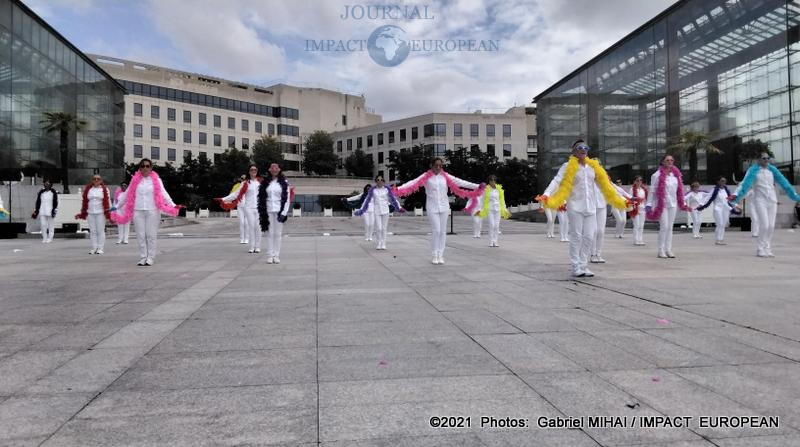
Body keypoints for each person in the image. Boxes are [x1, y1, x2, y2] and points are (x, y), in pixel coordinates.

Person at [540, 140, 630, 277]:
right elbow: (557, 181)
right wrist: (547, 193)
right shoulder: (567, 166)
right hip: (575, 206)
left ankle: (583, 265)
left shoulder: (593, 167)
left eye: (585, 148)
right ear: (574, 151)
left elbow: (606, 186)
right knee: (576, 236)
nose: (583, 150)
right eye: (579, 148)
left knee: (589, 236)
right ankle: (576, 266)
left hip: (591, 207)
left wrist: (624, 199)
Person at [394, 157, 484, 265]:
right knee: (436, 230)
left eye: (440, 165)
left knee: (442, 231)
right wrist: (397, 189)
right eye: (436, 165)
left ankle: (441, 254)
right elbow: (413, 182)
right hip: (432, 206)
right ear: (431, 166)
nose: (438, 167)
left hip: (444, 206)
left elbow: (461, 182)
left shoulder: (445, 176)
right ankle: (434, 254)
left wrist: (478, 186)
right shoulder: (426, 176)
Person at [111, 159, 180, 266]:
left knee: (151, 235)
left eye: (147, 166)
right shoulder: (135, 180)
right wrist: (116, 206)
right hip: (138, 211)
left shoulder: (157, 180)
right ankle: (143, 257)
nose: (145, 168)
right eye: (142, 166)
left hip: (152, 211)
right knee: (140, 235)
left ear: (151, 168)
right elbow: (126, 195)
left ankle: (150, 257)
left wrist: (173, 205)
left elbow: (164, 193)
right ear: (140, 168)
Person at [730, 152, 800, 257]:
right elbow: (743, 184)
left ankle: (767, 248)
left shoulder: (773, 171)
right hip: (760, 200)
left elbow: (785, 183)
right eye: (764, 158)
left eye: (768, 158)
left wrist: (794, 195)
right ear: (758, 159)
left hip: (772, 201)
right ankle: (760, 249)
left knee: (771, 226)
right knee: (765, 225)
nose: (766, 160)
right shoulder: (753, 170)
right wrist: (735, 195)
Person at [645, 155, 692, 259]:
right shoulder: (656, 175)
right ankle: (661, 250)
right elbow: (652, 192)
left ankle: (668, 249)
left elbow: (680, 191)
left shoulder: (676, 175)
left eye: (672, 160)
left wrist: (683, 203)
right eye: (667, 160)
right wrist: (648, 205)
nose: (670, 162)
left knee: (670, 227)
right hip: (662, 204)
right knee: (664, 226)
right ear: (662, 162)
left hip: (673, 204)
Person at [216, 166, 262, 253]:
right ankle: (252, 246)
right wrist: (223, 199)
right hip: (248, 207)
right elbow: (235, 194)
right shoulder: (245, 183)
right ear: (249, 172)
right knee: (251, 226)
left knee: (258, 227)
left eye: (255, 170)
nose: (253, 171)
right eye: (251, 170)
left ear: (257, 171)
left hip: (259, 207)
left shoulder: (261, 182)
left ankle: (258, 246)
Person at [355, 175, 405, 250]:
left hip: (385, 211)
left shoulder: (387, 190)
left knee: (384, 228)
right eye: (378, 180)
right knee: (378, 228)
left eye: (381, 180)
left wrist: (399, 207)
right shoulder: (373, 191)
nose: (380, 181)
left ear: (383, 181)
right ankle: (379, 242)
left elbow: (393, 199)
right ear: (376, 181)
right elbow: (367, 201)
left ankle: (383, 243)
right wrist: (361, 210)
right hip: (377, 211)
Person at [590, 175, 632, 263]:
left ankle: (598, 254)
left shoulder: (605, 179)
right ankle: (592, 254)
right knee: (594, 231)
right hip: (591, 208)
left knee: (601, 231)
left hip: (602, 207)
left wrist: (629, 197)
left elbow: (616, 189)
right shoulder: (588, 177)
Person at [258, 163, 293, 264]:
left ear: (279, 170)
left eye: (276, 168)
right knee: (270, 233)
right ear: (269, 170)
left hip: (279, 211)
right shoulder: (265, 182)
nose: (274, 170)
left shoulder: (284, 182)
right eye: (272, 168)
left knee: (277, 234)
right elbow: (261, 197)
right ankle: (270, 255)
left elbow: (287, 199)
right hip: (268, 210)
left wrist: (284, 212)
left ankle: (276, 255)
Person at [75, 174, 111, 254]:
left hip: (101, 213)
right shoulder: (88, 189)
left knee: (100, 231)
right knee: (93, 231)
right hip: (90, 212)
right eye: (94, 179)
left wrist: (109, 212)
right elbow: (85, 200)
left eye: (98, 179)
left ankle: (100, 248)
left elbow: (108, 202)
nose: (96, 180)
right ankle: (94, 247)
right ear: (92, 180)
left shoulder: (105, 189)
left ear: (101, 180)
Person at [697, 176, 738, 245]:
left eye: (725, 181)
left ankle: (721, 239)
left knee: (723, 224)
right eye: (722, 181)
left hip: (725, 209)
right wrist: (701, 204)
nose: (723, 182)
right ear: (718, 182)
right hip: (717, 208)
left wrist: (736, 206)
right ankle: (718, 239)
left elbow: (730, 200)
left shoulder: (726, 190)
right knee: (720, 224)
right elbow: (708, 197)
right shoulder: (715, 189)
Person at [478, 175, 511, 247]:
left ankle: (495, 241)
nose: (492, 182)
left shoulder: (499, 189)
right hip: (490, 209)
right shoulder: (486, 189)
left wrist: (505, 209)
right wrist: (480, 209)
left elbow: (502, 200)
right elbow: (482, 200)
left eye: (494, 180)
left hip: (498, 209)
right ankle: (491, 241)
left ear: (496, 181)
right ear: (489, 181)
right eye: (491, 180)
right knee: (491, 225)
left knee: (496, 226)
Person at [230, 175, 249, 245]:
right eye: (242, 179)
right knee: (241, 222)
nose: (243, 180)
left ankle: (247, 238)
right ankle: (242, 238)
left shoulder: (249, 185)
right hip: (240, 206)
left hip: (247, 206)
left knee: (246, 223)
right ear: (240, 179)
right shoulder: (236, 186)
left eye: (244, 178)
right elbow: (232, 194)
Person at [629, 176, 648, 246]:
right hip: (635, 209)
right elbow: (630, 199)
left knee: (641, 225)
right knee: (636, 225)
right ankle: (636, 240)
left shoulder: (643, 190)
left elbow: (646, 199)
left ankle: (640, 239)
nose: (639, 182)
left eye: (641, 180)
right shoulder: (632, 189)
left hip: (642, 209)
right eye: (637, 180)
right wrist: (637, 199)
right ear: (634, 181)